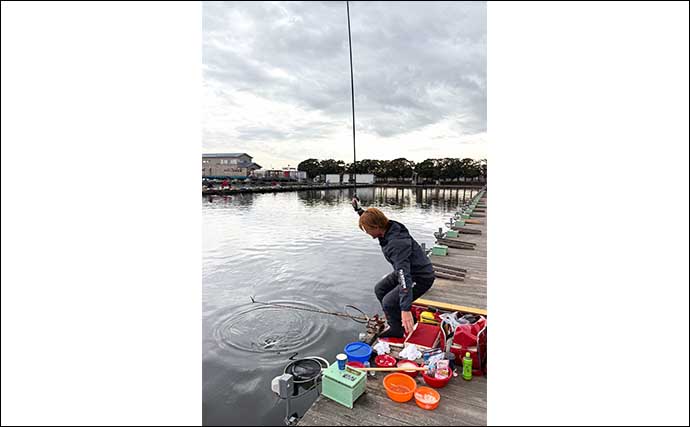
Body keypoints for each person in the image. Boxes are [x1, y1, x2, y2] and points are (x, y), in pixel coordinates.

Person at [352, 197, 435, 338]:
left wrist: (405, 308)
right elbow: (372, 220)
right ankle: (395, 323)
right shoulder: (388, 227)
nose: (366, 232)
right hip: (407, 271)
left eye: (366, 230)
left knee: (389, 302)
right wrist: (359, 210)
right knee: (380, 289)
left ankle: (399, 329)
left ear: (376, 228)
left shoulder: (396, 244)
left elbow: (405, 277)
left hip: (420, 277)